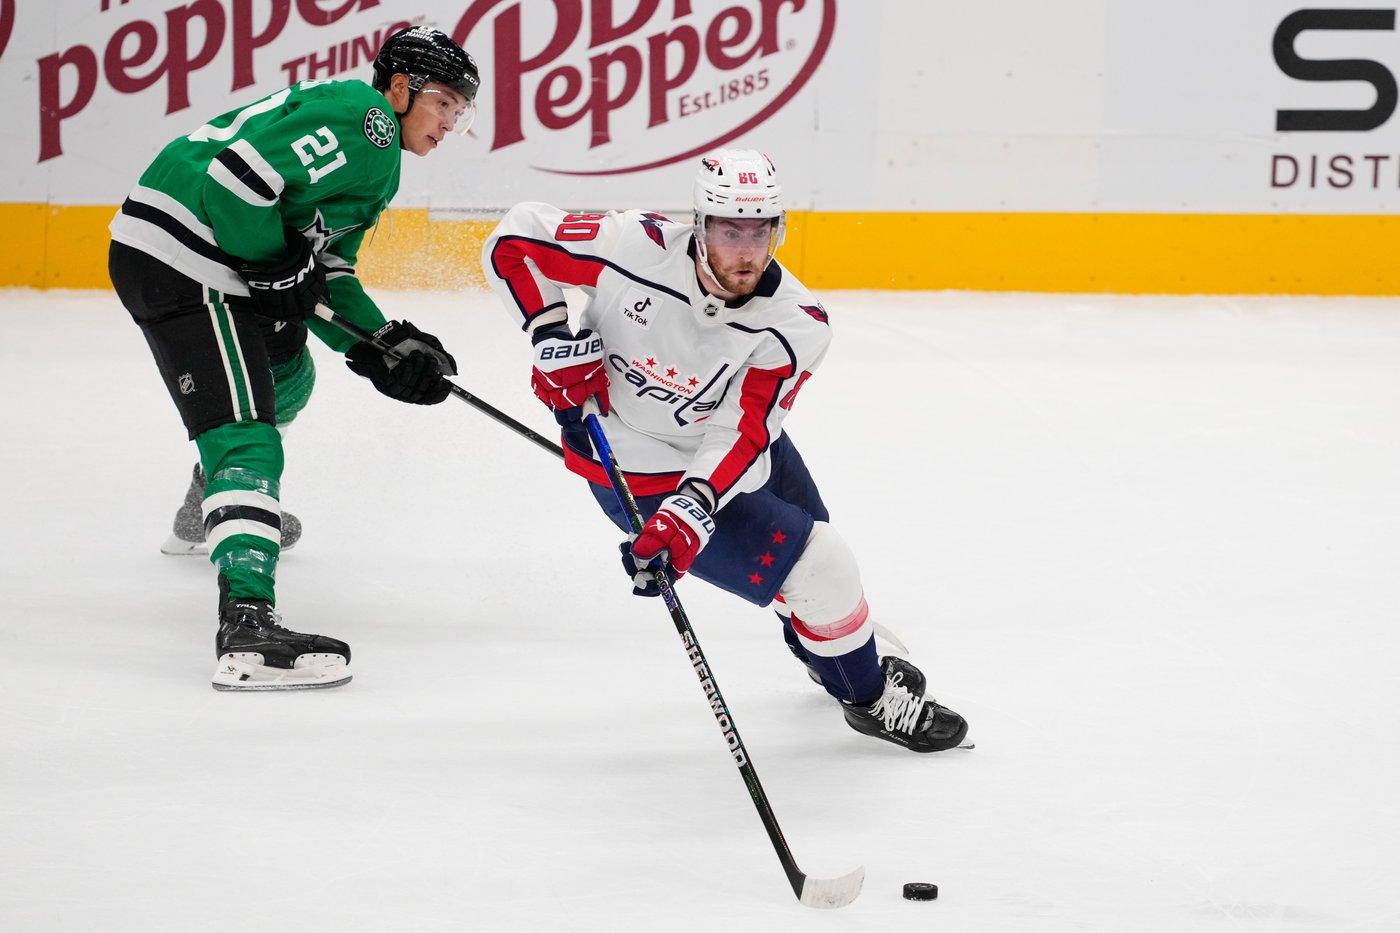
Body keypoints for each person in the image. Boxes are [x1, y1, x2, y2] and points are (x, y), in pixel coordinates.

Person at [481, 149, 970, 752]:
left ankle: (827, 657)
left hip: (728, 447)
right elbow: (515, 237)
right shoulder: (631, 247)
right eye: (729, 230)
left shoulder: (796, 323)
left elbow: (744, 430)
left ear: (778, 229)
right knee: (823, 567)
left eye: (759, 231)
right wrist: (548, 331)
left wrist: (696, 504)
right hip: (635, 466)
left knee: (812, 556)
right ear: (699, 224)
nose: (745, 250)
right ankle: (868, 700)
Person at [109, 26, 479, 690]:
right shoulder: (363, 121)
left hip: (208, 257)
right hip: (186, 258)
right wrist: (268, 260)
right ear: (398, 88)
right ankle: (246, 623)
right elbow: (236, 181)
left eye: (461, 109)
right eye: (444, 102)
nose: (451, 121)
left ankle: (207, 506)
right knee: (248, 428)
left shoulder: (379, 157)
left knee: (287, 373)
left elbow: (325, 272)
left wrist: (383, 345)